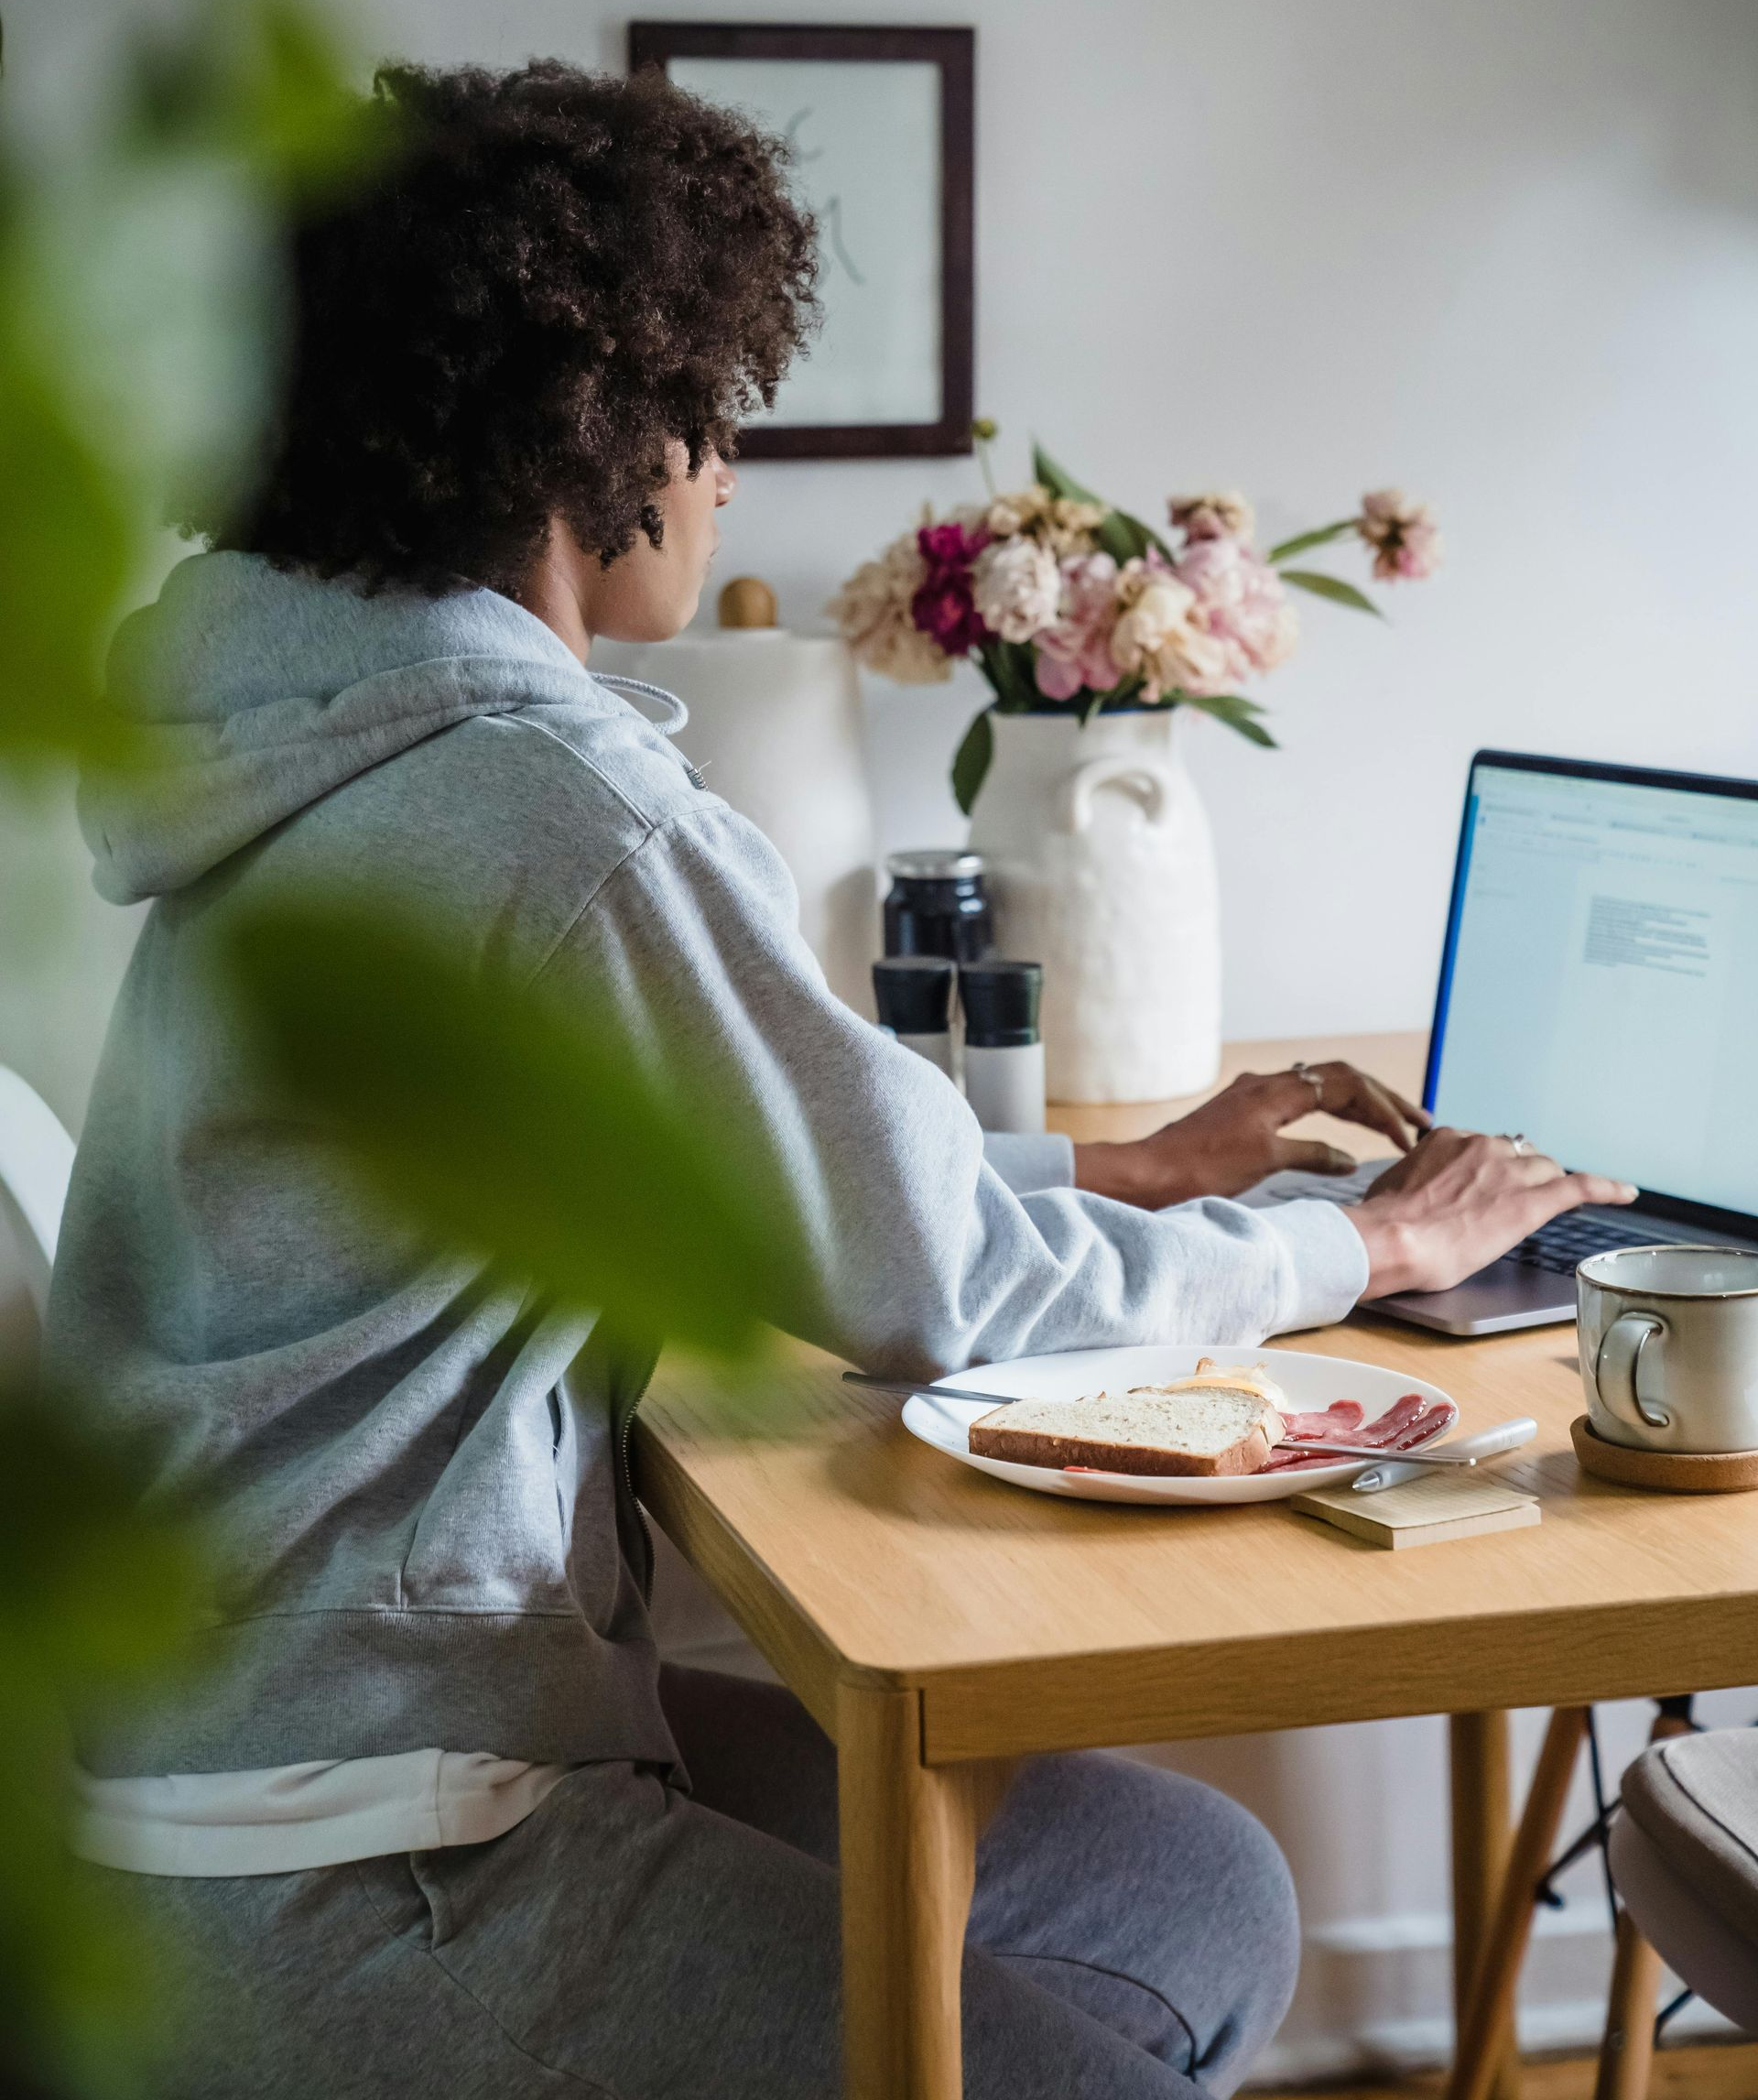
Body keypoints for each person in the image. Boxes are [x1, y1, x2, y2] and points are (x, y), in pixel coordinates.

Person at [48, 60, 1636, 2100]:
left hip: (243, 1781)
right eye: (715, 420)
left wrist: (1122, 1166)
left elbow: (786, 1165)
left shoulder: (312, 748)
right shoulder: (550, 805)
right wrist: (1361, 1237)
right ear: (601, 428)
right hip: (383, 1867)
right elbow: (940, 1290)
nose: (721, 484)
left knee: (1187, 1900)